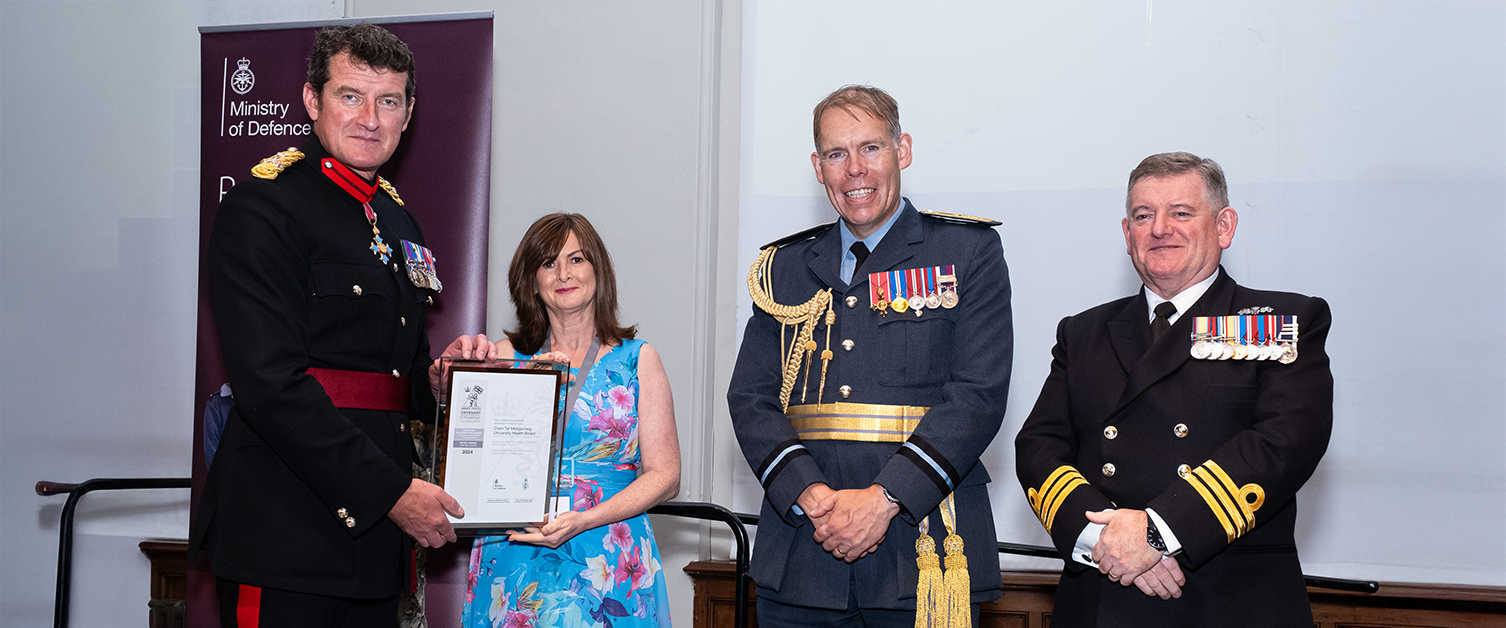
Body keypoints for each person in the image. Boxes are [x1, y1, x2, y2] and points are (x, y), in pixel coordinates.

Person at [189, 23, 498, 627]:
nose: (370, 118)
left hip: (375, 544)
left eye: (388, 101)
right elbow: (271, 385)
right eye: (350, 96)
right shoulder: (262, 206)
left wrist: (439, 382)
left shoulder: (397, 218)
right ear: (312, 100)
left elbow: (393, 379)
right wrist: (390, 492)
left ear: (408, 114)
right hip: (284, 534)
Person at [727, 85, 1013, 627]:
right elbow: (750, 398)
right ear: (818, 166)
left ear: (902, 149)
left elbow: (977, 397)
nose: (854, 169)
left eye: (871, 148)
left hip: (923, 546)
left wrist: (883, 500)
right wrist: (811, 496)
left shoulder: (966, 251)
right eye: (837, 154)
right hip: (801, 555)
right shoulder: (783, 266)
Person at [1013, 152, 1334, 626]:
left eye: (1181, 213)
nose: (1160, 228)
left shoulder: (1280, 322)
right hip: (1101, 597)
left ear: (1224, 226)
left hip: (1228, 600)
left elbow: (1285, 442)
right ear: (1128, 235)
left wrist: (1158, 533)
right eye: (1144, 216)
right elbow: (1038, 445)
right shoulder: (1084, 333)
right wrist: (1107, 541)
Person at [460, 213, 680, 628]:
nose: (563, 273)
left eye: (576, 259)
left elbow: (666, 476)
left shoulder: (638, 359)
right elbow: (474, 463)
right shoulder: (502, 358)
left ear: (598, 269)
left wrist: (585, 520)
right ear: (532, 280)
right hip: (516, 552)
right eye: (548, 263)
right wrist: (531, 389)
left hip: (609, 552)